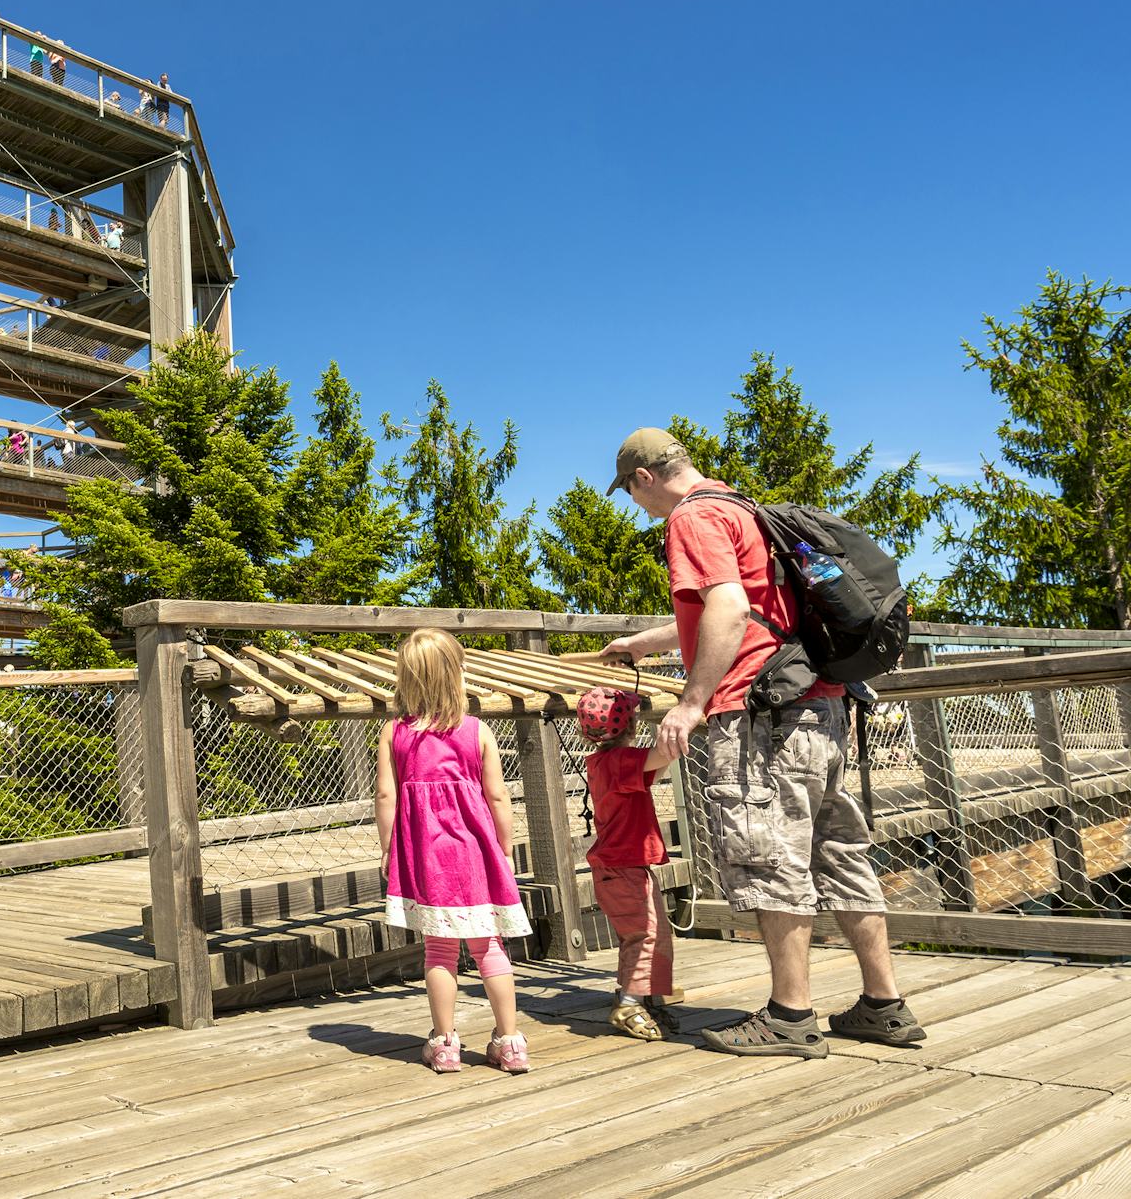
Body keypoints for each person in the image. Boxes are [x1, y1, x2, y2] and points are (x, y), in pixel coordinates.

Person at [599, 428, 923, 1057]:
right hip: (819, 708)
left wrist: (691, 704)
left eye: (633, 494)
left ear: (644, 479)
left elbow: (727, 611)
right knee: (839, 855)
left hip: (761, 719)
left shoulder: (690, 520)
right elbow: (749, 608)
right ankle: (884, 1006)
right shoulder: (742, 509)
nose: (639, 507)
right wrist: (643, 644)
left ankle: (789, 1016)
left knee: (772, 857)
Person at [378, 628, 532, 1074]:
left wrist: (389, 849)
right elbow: (499, 797)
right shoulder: (477, 731)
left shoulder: (395, 734)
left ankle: (445, 1044)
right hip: (476, 855)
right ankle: (509, 1041)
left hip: (427, 859)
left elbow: (386, 798)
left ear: (407, 680)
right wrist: (503, 848)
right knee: (489, 947)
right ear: (457, 675)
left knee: (439, 951)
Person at [579, 685, 684, 1041]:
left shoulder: (607, 763)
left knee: (653, 933)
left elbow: (659, 762)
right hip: (622, 866)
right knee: (644, 935)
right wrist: (677, 722)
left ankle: (647, 996)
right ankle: (628, 1002)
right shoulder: (621, 762)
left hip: (626, 865)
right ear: (630, 727)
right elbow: (666, 752)